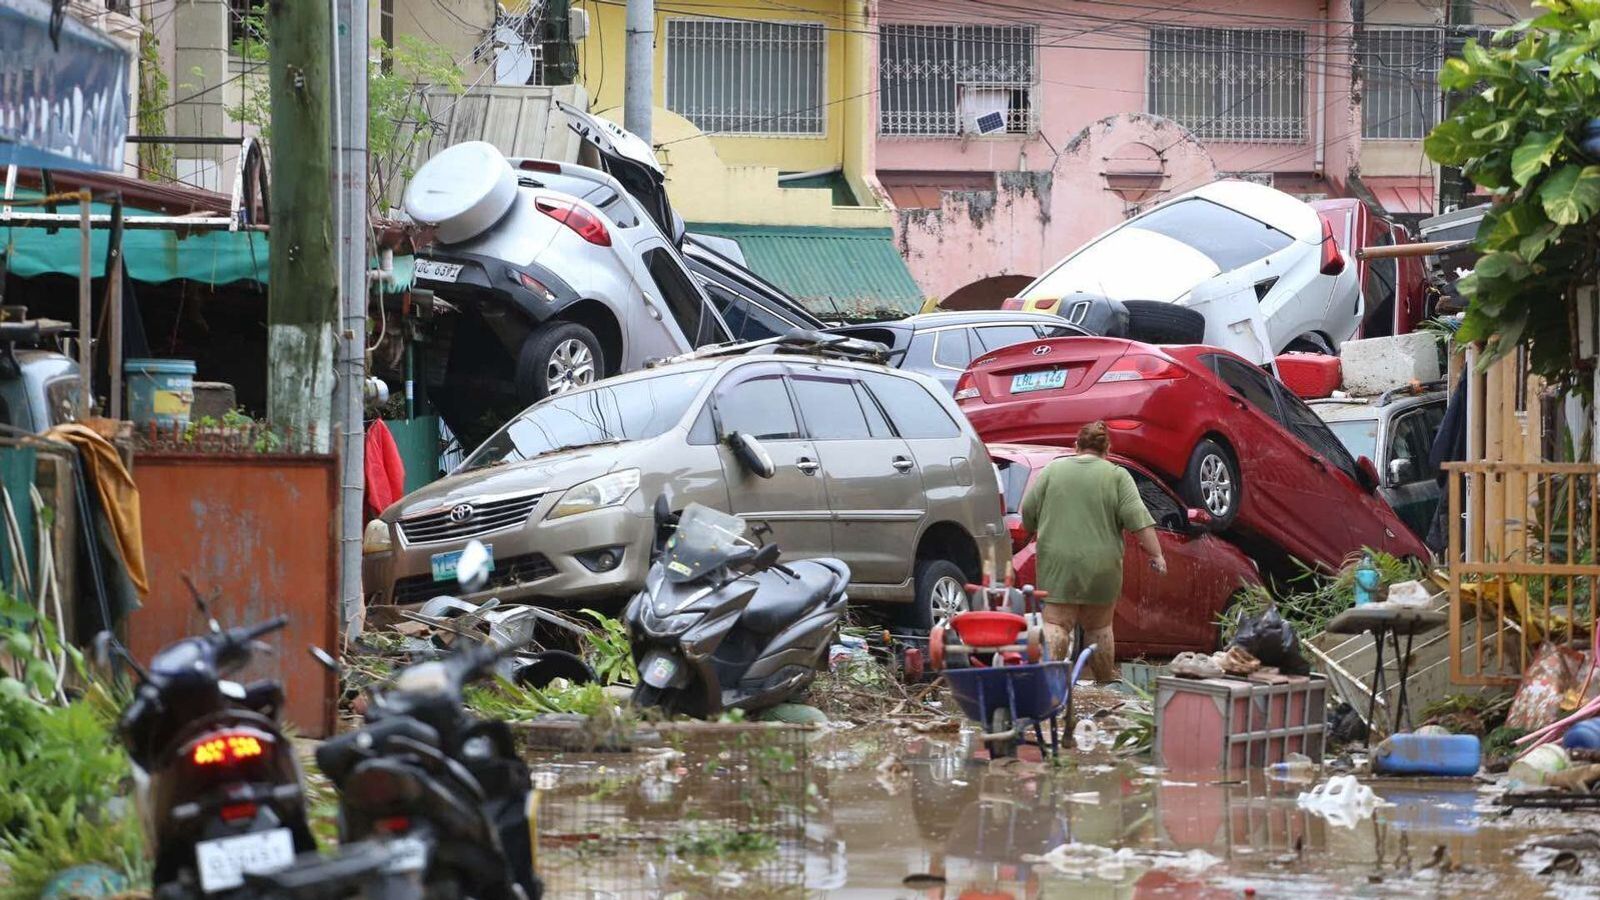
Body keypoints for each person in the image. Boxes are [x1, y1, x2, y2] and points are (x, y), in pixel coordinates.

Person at [1020, 421, 1166, 681]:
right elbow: (1138, 519)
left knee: (1056, 624)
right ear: (1107, 449)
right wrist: (1156, 555)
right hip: (1102, 565)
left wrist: (1033, 527)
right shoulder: (1117, 475)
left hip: (1058, 563)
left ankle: (1050, 684)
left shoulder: (1052, 470)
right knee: (1099, 627)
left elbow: (1028, 513)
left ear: (1076, 446)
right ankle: (1104, 682)